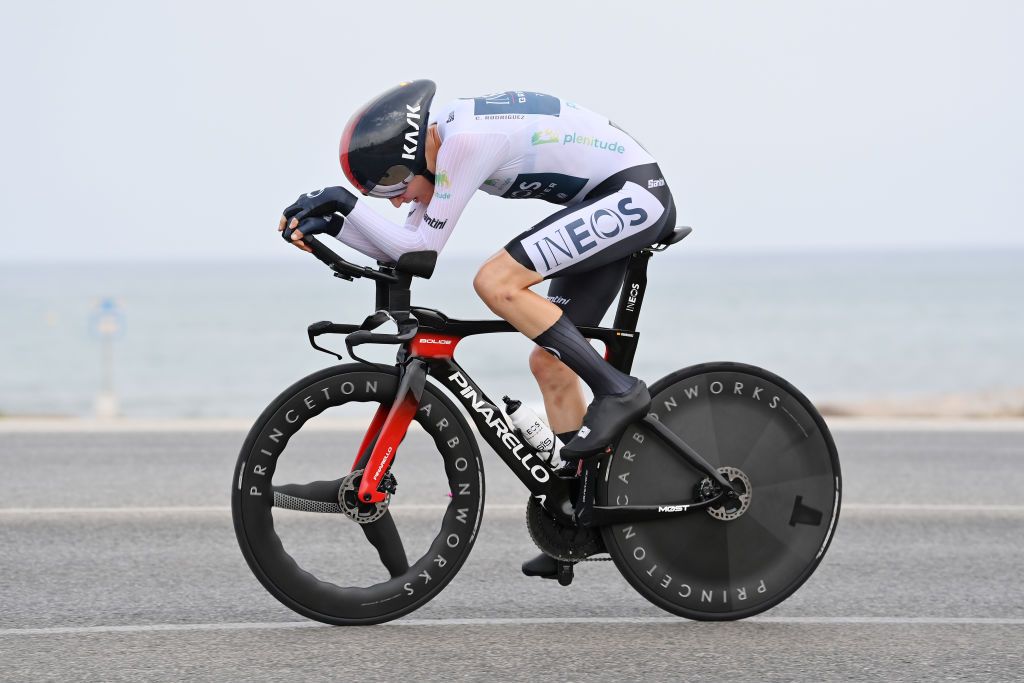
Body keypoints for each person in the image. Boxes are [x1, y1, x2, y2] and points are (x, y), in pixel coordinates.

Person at [278, 80, 677, 578]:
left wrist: (343, 202)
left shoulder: (465, 142)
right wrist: (335, 223)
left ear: (409, 158)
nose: (399, 200)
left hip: (633, 195)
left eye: (394, 186)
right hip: (610, 197)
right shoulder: (444, 142)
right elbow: (404, 244)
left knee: (496, 282)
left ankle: (618, 389)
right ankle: (577, 518)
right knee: (550, 360)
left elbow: (417, 254)